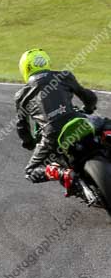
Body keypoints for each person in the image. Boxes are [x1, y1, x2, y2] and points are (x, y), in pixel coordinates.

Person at [15, 49, 99, 189]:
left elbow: (21, 126)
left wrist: (28, 143)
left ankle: (62, 173)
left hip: (51, 136)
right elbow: (88, 97)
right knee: (106, 124)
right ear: (46, 62)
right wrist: (89, 108)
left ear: (25, 68)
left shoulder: (21, 95)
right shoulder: (64, 76)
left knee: (30, 172)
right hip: (78, 121)